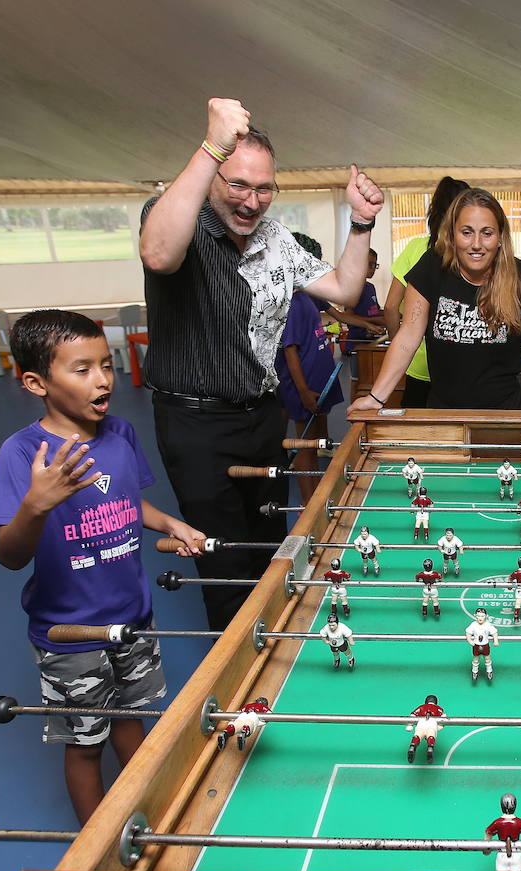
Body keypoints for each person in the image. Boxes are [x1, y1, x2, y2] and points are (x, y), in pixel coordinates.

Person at [139, 97, 384, 631]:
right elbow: (158, 253)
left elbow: (344, 288)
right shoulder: (179, 218)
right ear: (212, 174)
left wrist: (361, 222)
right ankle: (238, 678)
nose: (251, 202)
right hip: (197, 424)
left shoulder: (276, 238)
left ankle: (274, 655)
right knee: (224, 561)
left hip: (261, 414)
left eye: (264, 188)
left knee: (270, 547)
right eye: (238, 184)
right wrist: (212, 144)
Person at [0, 310, 205, 825]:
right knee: (85, 745)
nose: (103, 379)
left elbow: (127, 501)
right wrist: (35, 505)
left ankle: (147, 817)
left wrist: (171, 523)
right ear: (36, 383)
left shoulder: (119, 432)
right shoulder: (22, 454)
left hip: (133, 616)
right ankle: (95, 843)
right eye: (82, 369)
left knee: (130, 719)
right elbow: (10, 557)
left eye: (105, 364)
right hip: (70, 633)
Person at [349, 188, 521, 414]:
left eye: (487, 233)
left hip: (510, 411)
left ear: (500, 237)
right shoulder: (431, 268)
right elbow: (408, 337)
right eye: (466, 233)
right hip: (446, 413)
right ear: (452, 235)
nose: (476, 244)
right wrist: (376, 397)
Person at [381, 176, 470, 408]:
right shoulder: (474, 254)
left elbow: (390, 307)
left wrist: (398, 345)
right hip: (464, 365)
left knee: (417, 427)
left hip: (418, 362)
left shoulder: (415, 249)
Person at [275, 232, 347, 504]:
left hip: (316, 382)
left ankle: (317, 496)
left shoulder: (307, 297)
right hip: (301, 387)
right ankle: (308, 504)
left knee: (314, 443)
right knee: (305, 447)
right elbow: (290, 349)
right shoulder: (292, 303)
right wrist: (304, 392)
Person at [340, 248, 387, 354]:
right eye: (370, 264)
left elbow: (375, 311)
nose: (373, 269)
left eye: (375, 265)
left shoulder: (370, 287)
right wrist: (375, 321)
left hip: (371, 342)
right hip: (357, 345)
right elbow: (348, 316)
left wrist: (393, 313)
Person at [484, 793, 521, 871]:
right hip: (516, 853)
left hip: (502, 853)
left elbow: (488, 834)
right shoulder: (519, 822)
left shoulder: (497, 822)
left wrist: (487, 850)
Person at [407, 694, 445, 763]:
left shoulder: (421, 707)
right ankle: (430, 747)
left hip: (421, 722)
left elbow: (413, 715)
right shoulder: (438, 708)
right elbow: (443, 718)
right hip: (432, 723)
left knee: (418, 735)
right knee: (431, 735)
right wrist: (440, 726)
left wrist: (410, 725)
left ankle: (412, 746)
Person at [466, 607, 500, 682]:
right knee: (475, 659)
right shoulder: (473, 624)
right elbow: (468, 633)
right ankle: (474, 672)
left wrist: (496, 641)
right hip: (476, 645)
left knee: (487, 658)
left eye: (482, 616)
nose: (480, 618)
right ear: (475, 615)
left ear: (486, 616)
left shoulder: (488, 625)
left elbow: (494, 632)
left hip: (485, 645)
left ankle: (489, 671)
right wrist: (470, 641)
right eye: (478, 616)